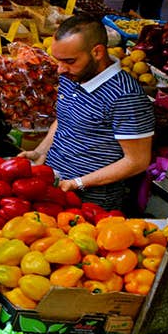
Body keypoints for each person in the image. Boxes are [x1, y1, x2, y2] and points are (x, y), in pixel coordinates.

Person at [21, 15, 154, 213]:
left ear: (97, 52)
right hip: (54, 188)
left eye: (69, 61)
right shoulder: (72, 76)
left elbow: (136, 161)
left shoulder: (126, 96)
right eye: (58, 61)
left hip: (92, 204)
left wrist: (77, 183)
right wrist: (40, 152)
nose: (60, 69)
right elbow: (64, 120)